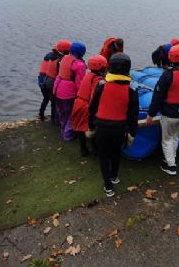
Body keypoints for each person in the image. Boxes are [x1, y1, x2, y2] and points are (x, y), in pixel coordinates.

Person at [89, 53, 139, 197]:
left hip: (102, 127)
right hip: (119, 128)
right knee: (116, 152)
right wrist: (132, 133)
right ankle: (114, 176)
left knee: (104, 155)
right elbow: (132, 115)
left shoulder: (101, 85)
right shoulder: (132, 90)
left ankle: (108, 186)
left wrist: (91, 126)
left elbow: (93, 108)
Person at [146, 45, 179, 175]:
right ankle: (171, 158)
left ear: (171, 58)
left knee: (167, 139)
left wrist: (151, 114)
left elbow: (158, 96)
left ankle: (171, 166)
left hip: (169, 114)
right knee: (175, 137)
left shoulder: (167, 75)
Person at [71, 55, 107, 156]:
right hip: (86, 105)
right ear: (102, 67)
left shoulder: (88, 75)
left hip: (78, 102)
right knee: (91, 127)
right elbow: (94, 97)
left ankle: (83, 149)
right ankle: (94, 149)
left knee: (80, 128)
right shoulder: (98, 80)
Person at [53, 42, 87, 141]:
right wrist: (81, 95)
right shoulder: (80, 65)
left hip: (58, 88)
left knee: (62, 112)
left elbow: (60, 74)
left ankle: (63, 130)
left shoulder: (64, 59)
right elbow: (79, 82)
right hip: (68, 92)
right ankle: (68, 135)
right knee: (71, 114)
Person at [43, 40, 71, 124]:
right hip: (53, 82)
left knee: (52, 102)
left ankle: (52, 118)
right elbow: (60, 73)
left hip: (47, 80)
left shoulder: (52, 56)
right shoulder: (60, 60)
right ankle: (55, 120)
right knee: (55, 103)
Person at [38, 43, 57, 121]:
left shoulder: (47, 57)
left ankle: (41, 114)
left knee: (46, 98)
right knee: (53, 100)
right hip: (48, 79)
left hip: (41, 79)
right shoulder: (56, 60)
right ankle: (53, 118)